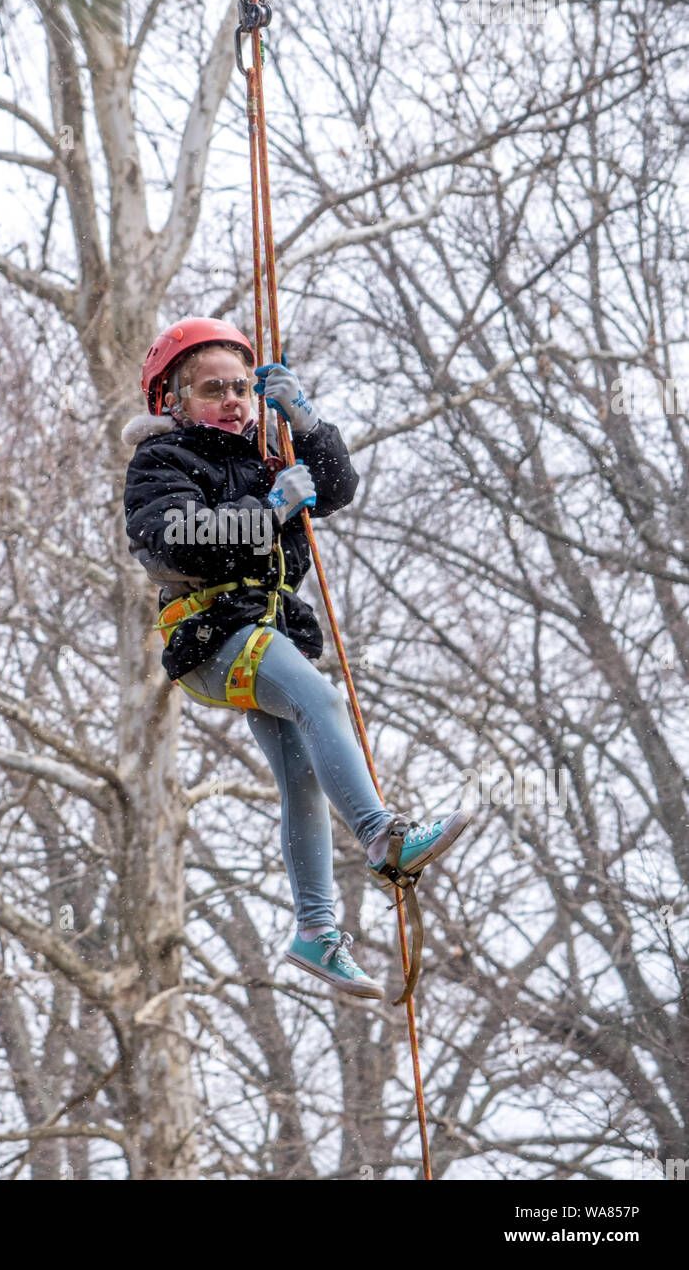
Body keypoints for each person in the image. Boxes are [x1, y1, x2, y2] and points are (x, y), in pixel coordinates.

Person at [122, 317, 470, 999]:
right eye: (210, 389)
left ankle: (315, 932)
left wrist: (305, 424)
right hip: (214, 631)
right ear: (171, 401)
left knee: (302, 776)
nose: (230, 401)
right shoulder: (162, 463)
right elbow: (171, 540)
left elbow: (333, 491)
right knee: (320, 701)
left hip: (264, 629)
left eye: (240, 389)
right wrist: (264, 512)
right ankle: (381, 834)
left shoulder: (267, 451)